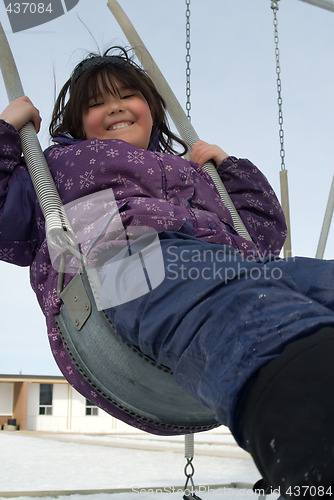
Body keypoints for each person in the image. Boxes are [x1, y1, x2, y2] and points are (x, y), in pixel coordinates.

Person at [0, 46, 334, 498]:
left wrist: (227, 171)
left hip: (224, 261)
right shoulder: (58, 165)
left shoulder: (190, 172)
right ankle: (311, 426)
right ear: (79, 124)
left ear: (151, 110)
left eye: (127, 95)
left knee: (314, 283)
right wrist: (5, 134)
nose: (115, 106)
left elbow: (263, 230)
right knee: (236, 305)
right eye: (96, 103)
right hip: (115, 259)